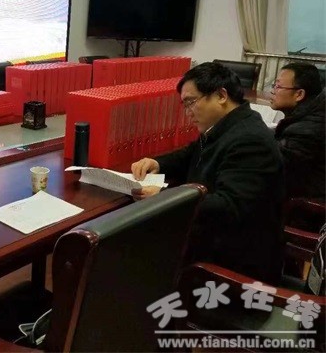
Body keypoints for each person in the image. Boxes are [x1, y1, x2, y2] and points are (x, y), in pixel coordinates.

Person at [131, 62, 284, 284]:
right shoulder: (228, 125)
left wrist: (165, 197)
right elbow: (192, 153)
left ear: (221, 95)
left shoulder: (250, 140)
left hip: (232, 266)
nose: (187, 113)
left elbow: (228, 206)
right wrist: (157, 163)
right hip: (213, 241)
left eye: (191, 102)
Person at [269, 62, 325, 201]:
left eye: (278, 86)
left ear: (299, 94)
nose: (272, 91)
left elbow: (273, 167)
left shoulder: (306, 130)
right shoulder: (314, 112)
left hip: (307, 204)